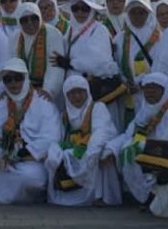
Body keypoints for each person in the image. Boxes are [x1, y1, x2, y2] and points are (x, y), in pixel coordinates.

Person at [0, 59, 61, 205]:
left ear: (26, 78)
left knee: (31, 178)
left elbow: (52, 137)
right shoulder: (5, 102)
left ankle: (28, 196)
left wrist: (24, 152)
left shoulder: (44, 104)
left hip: (32, 159)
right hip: (8, 157)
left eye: (18, 78)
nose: (13, 84)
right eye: (8, 79)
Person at [45, 74, 120, 207]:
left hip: (94, 149)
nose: (77, 97)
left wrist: (91, 153)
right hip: (74, 150)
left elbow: (101, 132)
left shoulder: (97, 108)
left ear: (87, 92)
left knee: (100, 153)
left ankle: (100, 196)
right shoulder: (64, 115)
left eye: (80, 92)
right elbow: (58, 137)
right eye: (72, 93)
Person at [109, 72, 168, 210]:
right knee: (128, 149)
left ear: (165, 90)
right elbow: (129, 134)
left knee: (133, 149)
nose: (150, 91)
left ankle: (152, 196)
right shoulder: (143, 111)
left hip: (165, 153)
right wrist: (110, 147)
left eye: (155, 87)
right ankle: (144, 196)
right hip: (146, 152)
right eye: (147, 87)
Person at [54, 0, 121, 130]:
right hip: (74, 93)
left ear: (92, 10)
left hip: (95, 91)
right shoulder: (69, 31)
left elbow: (100, 64)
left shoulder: (100, 30)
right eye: (76, 8)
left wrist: (71, 63)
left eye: (85, 8)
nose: (80, 13)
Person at [114, 0, 168, 125]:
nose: (137, 16)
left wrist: (143, 82)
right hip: (128, 94)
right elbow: (116, 63)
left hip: (153, 93)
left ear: (149, 14)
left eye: (142, 12)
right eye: (133, 12)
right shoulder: (120, 39)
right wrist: (124, 82)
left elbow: (163, 65)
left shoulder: (161, 38)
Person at [10, 2, 67, 99]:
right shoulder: (15, 37)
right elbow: (11, 64)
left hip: (46, 90)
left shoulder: (52, 34)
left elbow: (55, 66)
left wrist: (49, 90)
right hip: (21, 88)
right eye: (24, 20)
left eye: (34, 18)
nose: (30, 23)